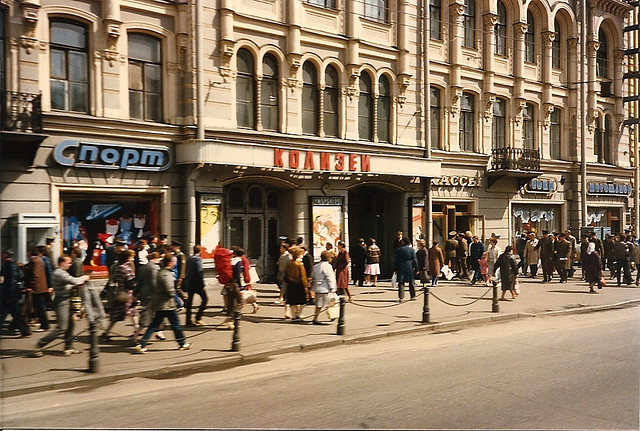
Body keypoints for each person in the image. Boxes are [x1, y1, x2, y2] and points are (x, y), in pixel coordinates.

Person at [31, 255, 90, 357]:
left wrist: (74, 286)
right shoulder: (59, 273)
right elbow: (74, 280)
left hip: (66, 300)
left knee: (71, 325)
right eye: (68, 263)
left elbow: (67, 285)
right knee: (62, 327)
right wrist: (85, 277)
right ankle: (40, 344)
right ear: (61, 263)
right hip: (61, 302)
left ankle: (68, 347)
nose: (70, 265)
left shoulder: (62, 272)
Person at [135, 255, 191, 353]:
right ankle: (182, 343)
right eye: (174, 262)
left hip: (161, 304)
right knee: (176, 325)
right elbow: (170, 290)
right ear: (169, 263)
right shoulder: (166, 274)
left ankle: (142, 344)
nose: (175, 263)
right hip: (167, 305)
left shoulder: (161, 272)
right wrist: (178, 302)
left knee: (153, 325)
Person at [101, 250, 139, 341]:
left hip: (120, 292)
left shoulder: (118, 267)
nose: (133, 258)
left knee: (131, 311)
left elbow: (114, 279)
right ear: (127, 258)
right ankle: (106, 332)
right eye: (131, 257)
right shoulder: (127, 268)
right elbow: (131, 282)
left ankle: (137, 329)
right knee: (120, 313)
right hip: (127, 293)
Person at [0, 249, 31, 338]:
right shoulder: (12, 264)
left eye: (2, 254)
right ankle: (25, 331)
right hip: (11, 294)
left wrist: (10, 296)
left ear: (6, 255)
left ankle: (25, 330)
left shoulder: (9, 266)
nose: (1, 256)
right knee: (16, 314)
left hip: (10, 294)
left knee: (3, 314)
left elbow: (11, 282)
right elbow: (20, 276)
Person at [134, 252, 162, 340]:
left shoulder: (143, 268)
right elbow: (154, 282)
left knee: (156, 314)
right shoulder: (155, 268)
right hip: (152, 295)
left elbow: (139, 282)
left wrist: (136, 293)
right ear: (155, 258)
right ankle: (136, 335)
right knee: (147, 315)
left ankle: (160, 332)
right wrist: (158, 292)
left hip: (144, 293)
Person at [23, 246, 50, 332]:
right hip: (39, 288)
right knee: (39, 307)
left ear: (30, 252)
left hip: (38, 288)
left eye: (27, 251)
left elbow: (36, 275)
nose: (26, 253)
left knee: (40, 307)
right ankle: (43, 324)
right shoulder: (37, 260)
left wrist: (31, 286)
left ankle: (44, 325)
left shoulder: (35, 261)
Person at [310, 250, 337, 325]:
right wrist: (332, 288)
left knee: (319, 304)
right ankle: (332, 316)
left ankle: (316, 317)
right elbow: (330, 278)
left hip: (317, 288)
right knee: (330, 303)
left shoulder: (316, 266)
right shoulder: (328, 266)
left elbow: (312, 276)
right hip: (325, 288)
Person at [184, 245, 207, 327]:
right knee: (205, 299)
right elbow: (199, 271)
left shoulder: (189, 258)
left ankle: (188, 320)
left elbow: (186, 269)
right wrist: (202, 283)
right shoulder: (198, 259)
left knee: (189, 302)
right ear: (200, 251)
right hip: (197, 283)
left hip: (190, 282)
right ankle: (198, 317)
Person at [285, 246, 309, 322]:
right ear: (299, 255)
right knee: (302, 301)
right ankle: (299, 314)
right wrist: (306, 285)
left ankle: (293, 315)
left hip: (291, 283)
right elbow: (303, 276)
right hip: (299, 284)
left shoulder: (290, 263)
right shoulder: (300, 264)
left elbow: (286, 274)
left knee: (292, 301)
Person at [394, 236, 418, 302]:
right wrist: (417, 269)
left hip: (401, 266)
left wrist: (395, 269)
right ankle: (412, 296)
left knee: (401, 282)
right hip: (409, 266)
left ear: (403, 242)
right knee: (411, 282)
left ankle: (401, 297)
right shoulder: (412, 250)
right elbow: (415, 260)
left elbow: (396, 260)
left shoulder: (398, 250)